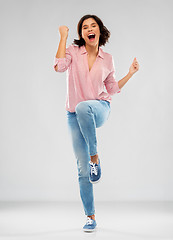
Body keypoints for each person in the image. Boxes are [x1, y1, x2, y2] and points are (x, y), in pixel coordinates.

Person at [53, 14, 139, 232]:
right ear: (81, 34)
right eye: (84, 27)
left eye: (93, 26)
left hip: (100, 108)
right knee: (82, 171)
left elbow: (110, 89)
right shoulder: (73, 52)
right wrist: (63, 37)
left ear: (99, 30)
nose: (89, 29)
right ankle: (90, 217)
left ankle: (95, 157)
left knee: (85, 107)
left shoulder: (108, 58)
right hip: (74, 115)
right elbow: (59, 66)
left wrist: (130, 74)